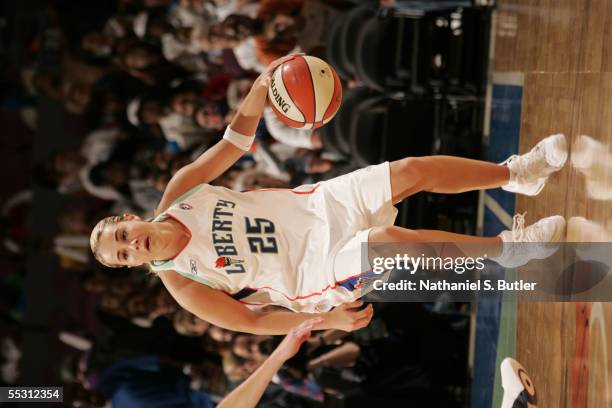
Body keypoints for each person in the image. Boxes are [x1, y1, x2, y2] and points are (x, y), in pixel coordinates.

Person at [89, 53, 568, 335]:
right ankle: (510, 251)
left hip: (317, 204)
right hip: (313, 275)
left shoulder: (179, 193)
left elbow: (232, 144)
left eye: (122, 235)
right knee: (390, 241)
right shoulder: (183, 284)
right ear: (133, 265)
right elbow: (255, 323)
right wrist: (328, 323)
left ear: (129, 217)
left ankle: (517, 173)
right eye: (124, 256)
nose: (132, 245)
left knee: (411, 170)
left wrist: (260, 87)